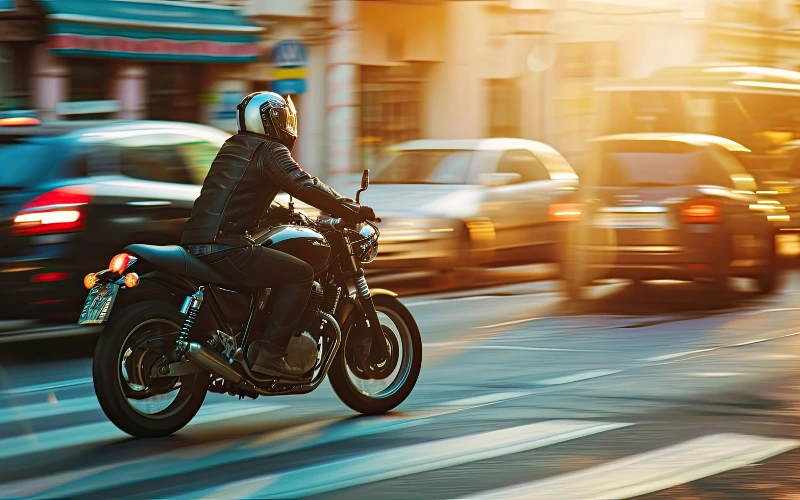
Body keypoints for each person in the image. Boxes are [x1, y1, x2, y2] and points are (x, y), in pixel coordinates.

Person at [180, 91, 376, 378]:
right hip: (225, 245)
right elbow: (304, 184)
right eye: (283, 117)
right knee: (300, 274)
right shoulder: (270, 150)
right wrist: (350, 208)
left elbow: (238, 196)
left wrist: (286, 214)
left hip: (197, 242)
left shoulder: (233, 146)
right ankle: (270, 355)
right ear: (273, 119)